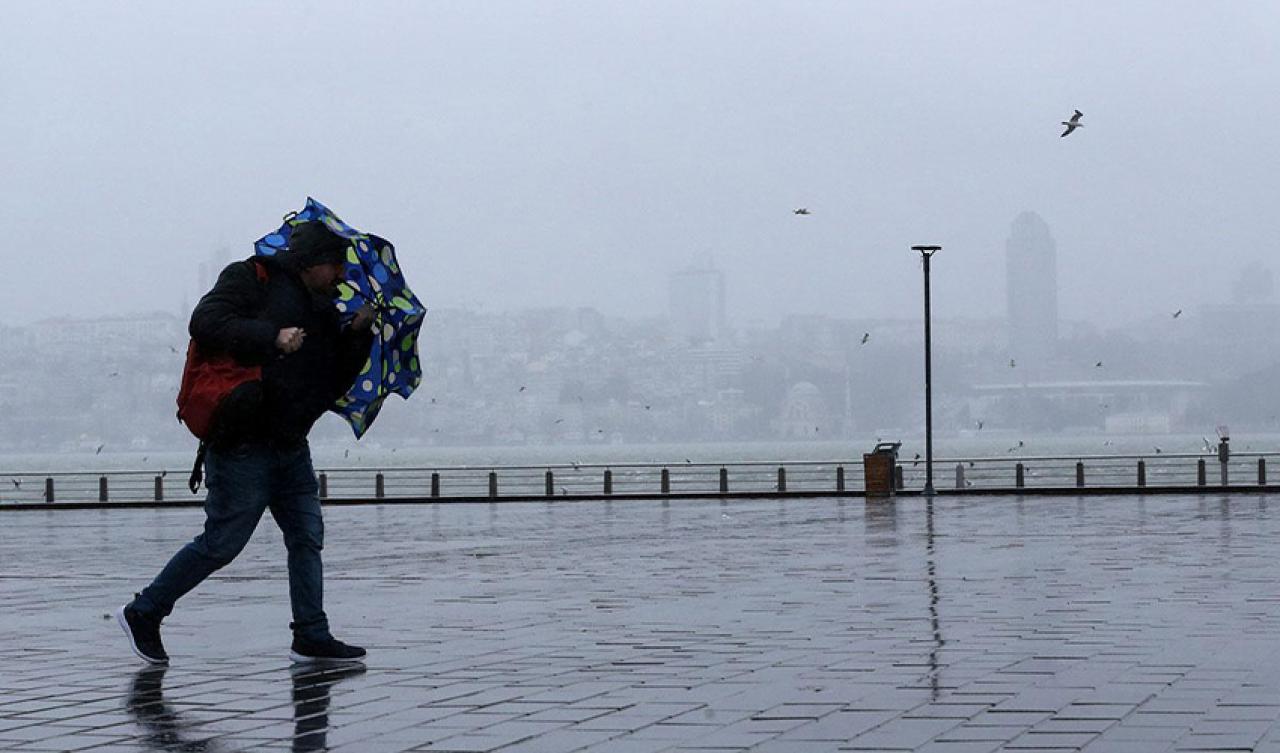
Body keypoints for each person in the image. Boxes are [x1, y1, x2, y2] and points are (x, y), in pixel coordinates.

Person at [117, 220, 374, 665]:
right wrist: (271, 337)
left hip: (291, 445)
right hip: (242, 444)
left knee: (307, 536)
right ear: (312, 262)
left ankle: (311, 634)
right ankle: (145, 611)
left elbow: (332, 383)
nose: (341, 276)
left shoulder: (325, 311)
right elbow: (206, 321)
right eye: (336, 265)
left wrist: (356, 335)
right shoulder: (250, 278)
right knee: (223, 543)